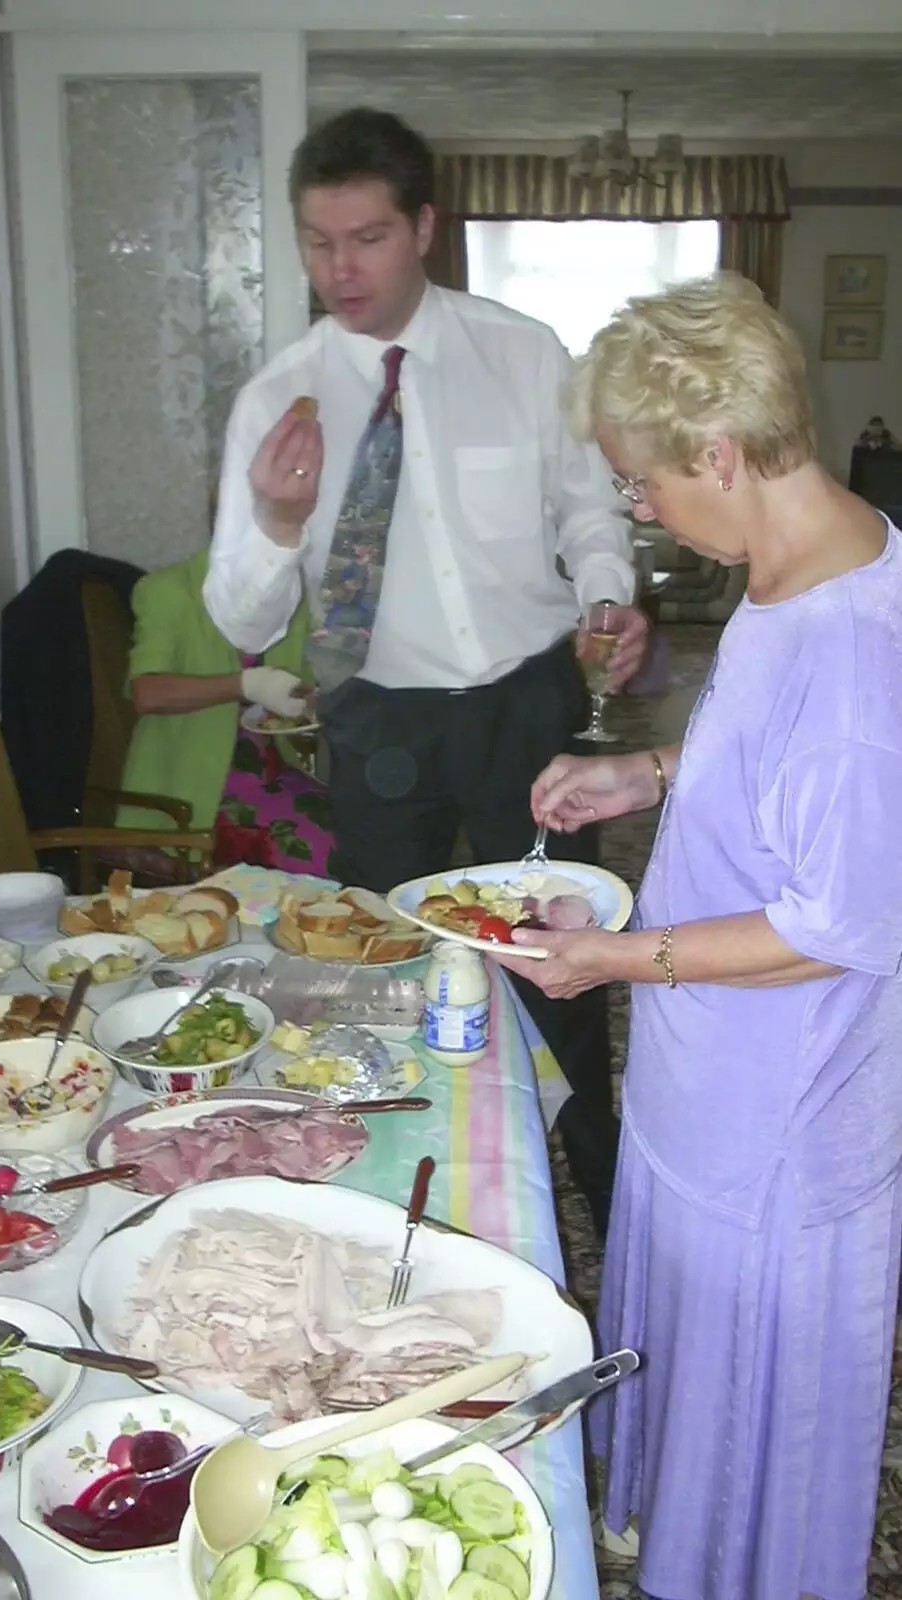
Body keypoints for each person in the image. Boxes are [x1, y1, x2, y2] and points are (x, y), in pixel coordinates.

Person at [498, 274, 902, 1600]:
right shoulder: (796, 561)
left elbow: (827, 924)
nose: (634, 506)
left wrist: (609, 959)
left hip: (774, 1117)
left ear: (718, 454)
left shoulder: (851, 656)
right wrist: (647, 775)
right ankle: (661, 1521)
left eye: (641, 480)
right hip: (706, 1077)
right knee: (681, 1333)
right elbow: (762, 760)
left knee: (751, 1392)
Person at [203, 105, 649, 1233]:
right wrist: (270, 516)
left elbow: (587, 508)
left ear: (423, 229)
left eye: (366, 239)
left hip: (523, 702)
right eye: (316, 242)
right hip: (376, 715)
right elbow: (239, 619)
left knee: (558, 955)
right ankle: (405, 1189)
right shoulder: (278, 399)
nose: (338, 270)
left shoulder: (521, 350)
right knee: (375, 967)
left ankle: (596, 1179)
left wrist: (606, 596)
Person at [118, 549, 335, 875]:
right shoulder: (169, 591)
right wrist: (245, 685)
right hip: (191, 794)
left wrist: (311, 703)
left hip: (274, 775)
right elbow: (147, 694)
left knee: (367, 829)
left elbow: (297, 687)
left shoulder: (290, 595)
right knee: (318, 851)